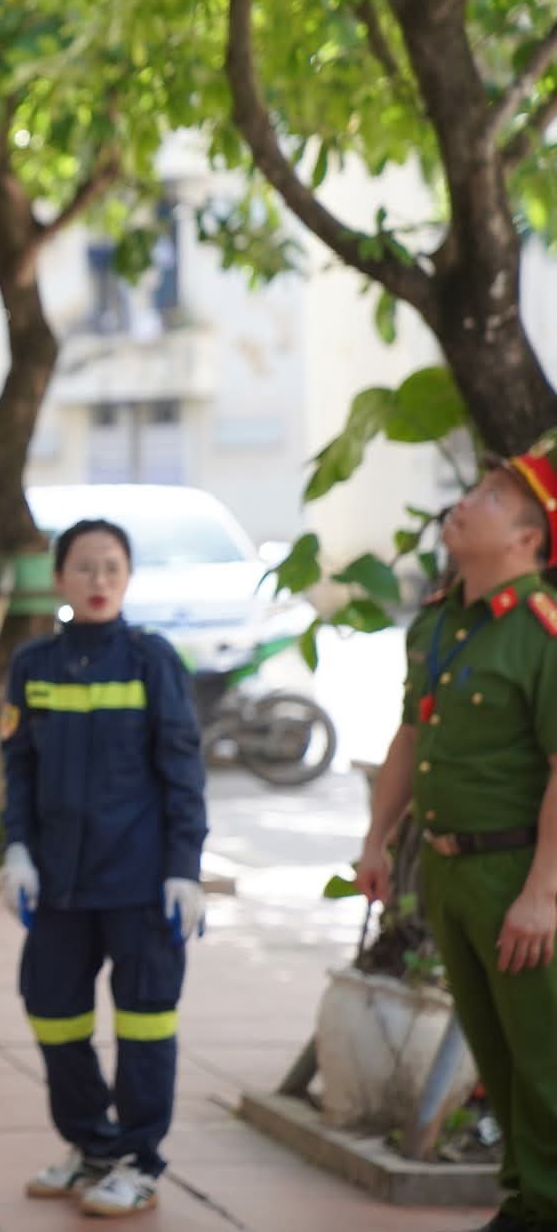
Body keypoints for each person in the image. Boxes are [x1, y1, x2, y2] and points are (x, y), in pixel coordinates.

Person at [355, 444, 557, 1232]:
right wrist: (378, 838)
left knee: (545, 1056)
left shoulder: (540, 633)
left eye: (492, 497)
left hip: (518, 871)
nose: (467, 500)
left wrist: (543, 892)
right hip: (450, 870)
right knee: (498, 1055)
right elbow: (410, 736)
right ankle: (526, 1201)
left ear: (529, 539)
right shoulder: (442, 622)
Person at [0, 518, 208, 1218]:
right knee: (54, 1011)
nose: (99, 580)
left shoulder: (152, 660)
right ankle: (93, 1145)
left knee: (146, 1020)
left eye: (112, 567)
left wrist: (185, 868)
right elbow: (18, 769)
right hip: (58, 884)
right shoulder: (32, 665)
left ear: (128, 577)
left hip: (141, 884)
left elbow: (183, 771)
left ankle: (140, 1160)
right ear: (59, 577)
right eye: (84, 566)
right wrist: (17, 848)